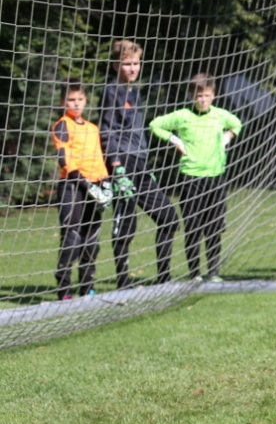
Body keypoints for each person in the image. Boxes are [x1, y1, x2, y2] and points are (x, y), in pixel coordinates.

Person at [99, 39, 177, 288]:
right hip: (122, 164)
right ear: (115, 65)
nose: (133, 68)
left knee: (169, 217)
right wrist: (116, 164)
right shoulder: (111, 91)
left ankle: (163, 278)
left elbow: (136, 132)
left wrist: (146, 163)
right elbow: (107, 131)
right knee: (125, 224)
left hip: (140, 165)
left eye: (136, 63)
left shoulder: (135, 91)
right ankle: (123, 281)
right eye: (127, 64)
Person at [150, 74, 242, 282]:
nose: (203, 100)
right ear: (192, 95)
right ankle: (195, 273)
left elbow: (236, 123)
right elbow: (155, 124)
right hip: (191, 179)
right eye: (199, 95)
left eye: (207, 95)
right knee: (193, 228)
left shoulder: (220, 115)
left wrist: (227, 137)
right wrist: (174, 140)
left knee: (214, 228)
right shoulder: (183, 116)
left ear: (214, 95)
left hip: (215, 178)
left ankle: (214, 272)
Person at [52, 79, 112, 299]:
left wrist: (105, 183)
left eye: (80, 99)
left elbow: (98, 160)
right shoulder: (62, 125)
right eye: (71, 100)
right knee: (72, 238)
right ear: (62, 101)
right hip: (73, 186)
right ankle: (64, 289)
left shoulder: (92, 128)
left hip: (95, 186)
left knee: (91, 239)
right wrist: (86, 184)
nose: (76, 104)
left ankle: (87, 287)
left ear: (86, 100)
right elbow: (64, 159)